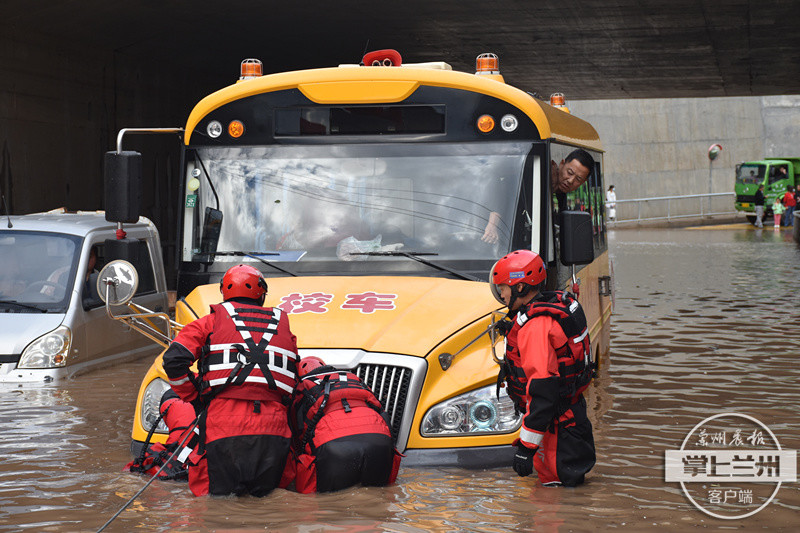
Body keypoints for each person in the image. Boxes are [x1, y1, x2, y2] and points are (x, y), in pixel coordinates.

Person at [162, 264, 299, 497]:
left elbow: (174, 359)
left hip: (223, 424)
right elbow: (293, 376)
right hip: (274, 427)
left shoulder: (210, 322)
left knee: (215, 505)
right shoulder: (283, 326)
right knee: (268, 504)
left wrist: (194, 396)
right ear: (262, 293)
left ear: (223, 292)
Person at [490, 249, 595, 486]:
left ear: (520, 287)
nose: (500, 294)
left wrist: (526, 448)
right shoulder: (552, 306)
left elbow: (543, 391)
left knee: (553, 505)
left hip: (558, 432)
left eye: (503, 287)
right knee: (571, 493)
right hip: (571, 421)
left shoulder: (535, 327)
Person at [288, 356, 400, 493]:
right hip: (380, 443)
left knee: (319, 504)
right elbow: (382, 414)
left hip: (333, 448)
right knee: (380, 498)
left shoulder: (300, 388)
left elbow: (294, 441)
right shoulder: (353, 379)